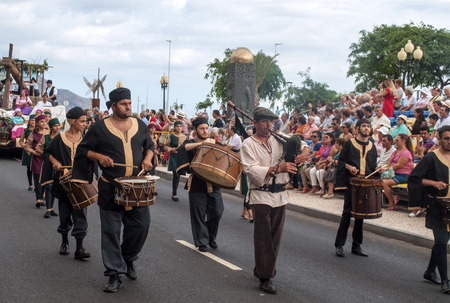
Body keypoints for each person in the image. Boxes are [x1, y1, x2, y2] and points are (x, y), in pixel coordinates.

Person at [71, 87, 154, 293]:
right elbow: (83, 151)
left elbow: (150, 145)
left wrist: (148, 158)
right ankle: (114, 274)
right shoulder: (99, 128)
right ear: (114, 106)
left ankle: (127, 259)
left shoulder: (139, 125)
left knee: (141, 226)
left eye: (129, 103)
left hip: (136, 187)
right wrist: (98, 157)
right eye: (124, 104)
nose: (128, 107)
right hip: (110, 187)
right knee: (111, 232)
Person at [240, 107, 308, 294]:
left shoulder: (279, 138)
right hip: (261, 194)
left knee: (275, 238)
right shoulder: (248, 144)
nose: (268, 125)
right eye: (264, 121)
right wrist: (278, 169)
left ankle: (262, 270)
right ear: (255, 123)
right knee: (263, 238)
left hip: (280, 195)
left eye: (271, 121)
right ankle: (265, 277)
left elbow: (302, 144)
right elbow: (250, 170)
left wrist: (305, 154)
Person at [40, 108, 91, 260]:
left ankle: (79, 248)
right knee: (64, 212)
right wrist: (55, 162)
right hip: (64, 182)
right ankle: (64, 242)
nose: (85, 123)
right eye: (82, 121)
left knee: (81, 213)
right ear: (72, 122)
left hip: (80, 182)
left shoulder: (86, 139)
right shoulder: (60, 138)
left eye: (85, 121)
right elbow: (47, 152)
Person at [408, 125, 450, 294]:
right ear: (439, 138)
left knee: (442, 242)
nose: (449, 141)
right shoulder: (431, 157)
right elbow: (415, 178)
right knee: (441, 242)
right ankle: (446, 281)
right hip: (438, 205)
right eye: (446, 138)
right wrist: (433, 183)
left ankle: (430, 271)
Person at [176, 117, 225, 253]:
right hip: (197, 184)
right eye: (202, 128)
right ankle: (202, 241)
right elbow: (182, 148)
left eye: (206, 128)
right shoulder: (191, 143)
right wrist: (201, 145)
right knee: (199, 214)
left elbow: (226, 155)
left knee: (217, 211)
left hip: (214, 183)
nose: (205, 131)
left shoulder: (215, 142)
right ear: (195, 130)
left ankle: (210, 236)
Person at [334, 119, 377, 258]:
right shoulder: (349, 144)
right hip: (352, 182)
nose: (366, 128)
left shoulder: (372, 145)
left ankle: (357, 245)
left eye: (368, 126)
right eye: (363, 126)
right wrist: (349, 167)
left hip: (365, 183)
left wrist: (378, 169)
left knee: (361, 215)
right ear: (358, 129)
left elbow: (372, 165)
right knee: (347, 213)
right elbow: (341, 161)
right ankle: (339, 245)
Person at [380, 134, 414, 211]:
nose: (395, 142)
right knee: (380, 179)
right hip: (394, 174)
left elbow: (399, 165)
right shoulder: (395, 152)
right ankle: (393, 199)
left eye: (397, 140)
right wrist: (383, 168)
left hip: (403, 175)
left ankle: (391, 204)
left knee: (384, 182)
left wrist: (386, 169)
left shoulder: (406, 153)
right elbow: (389, 163)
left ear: (403, 141)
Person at [24, 115, 48, 208]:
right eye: (41, 121)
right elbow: (27, 146)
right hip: (37, 158)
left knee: (44, 179)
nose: (44, 123)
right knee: (37, 179)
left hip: (46, 159)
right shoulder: (33, 134)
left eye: (45, 121)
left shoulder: (48, 133)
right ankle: (38, 199)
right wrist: (33, 152)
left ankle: (42, 196)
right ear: (37, 123)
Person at [41, 118, 61, 218]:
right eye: (55, 126)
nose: (57, 128)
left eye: (58, 125)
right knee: (48, 186)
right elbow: (40, 150)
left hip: (59, 166)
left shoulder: (62, 137)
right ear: (51, 127)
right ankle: (48, 209)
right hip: (48, 165)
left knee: (54, 186)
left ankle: (52, 208)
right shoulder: (45, 138)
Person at [164, 121, 186, 201]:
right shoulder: (172, 136)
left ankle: (174, 192)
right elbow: (166, 146)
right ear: (175, 127)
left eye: (180, 126)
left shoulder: (184, 137)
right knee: (176, 175)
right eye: (177, 126)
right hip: (173, 156)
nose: (179, 128)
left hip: (181, 157)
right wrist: (170, 149)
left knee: (178, 175)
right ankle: (174, 194)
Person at [18, 115, 35, 191]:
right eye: (31, 120)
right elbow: (21, 141)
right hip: (28, 152)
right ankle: (30, 184)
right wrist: (25, 146)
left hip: (36, 151)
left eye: (34, 120)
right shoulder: (25, 130)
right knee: (29, 168)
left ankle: (37, 185)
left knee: (36, 169)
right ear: (29, 121)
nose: (33, 122)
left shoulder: (39, 131)